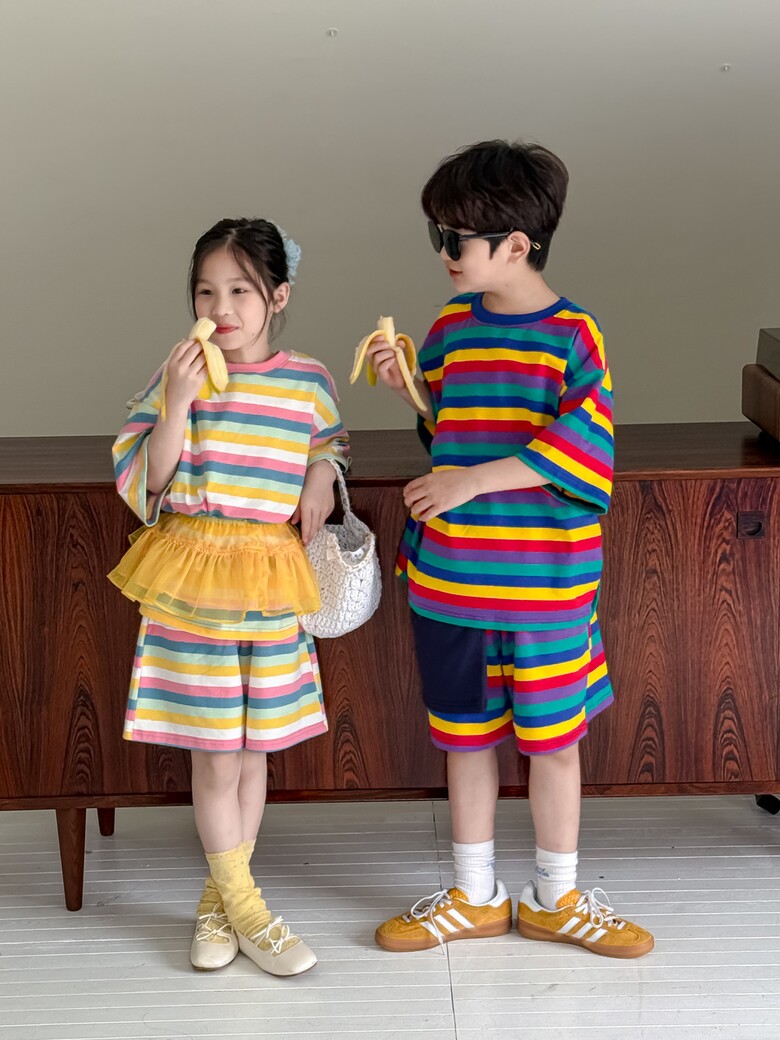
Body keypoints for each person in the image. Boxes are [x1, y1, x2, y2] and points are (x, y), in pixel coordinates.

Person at [367, 141, 653, 958]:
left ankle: (557, 899)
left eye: (454, 238)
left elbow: (584, 446)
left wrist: (471, 482)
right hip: (452, 580)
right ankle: (475, 896)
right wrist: (407, 389)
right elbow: (447, 428)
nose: (444, 252)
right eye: (440, 235)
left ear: (516, 244)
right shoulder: (449, 328)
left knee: (554, 743)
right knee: (464, 738)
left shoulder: (574, 336)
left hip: (545, 590)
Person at [109, 218, 349, 976]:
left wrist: (322, 472)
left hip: (271, 579)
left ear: (278, 296)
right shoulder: (178, 373)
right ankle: (249, 911)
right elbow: (146, 481)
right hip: (194, 579)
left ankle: (221, 902)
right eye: (206, 292)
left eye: (240, 290)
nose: (221, 308)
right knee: (214, 754)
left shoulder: (309, 380)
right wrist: (178, 401)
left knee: (252, 750)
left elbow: (328, 442)